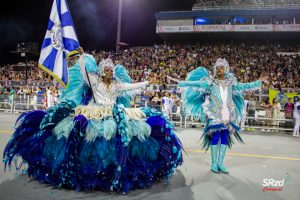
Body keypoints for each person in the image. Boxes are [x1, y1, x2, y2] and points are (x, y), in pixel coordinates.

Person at [3, 48, 182, 193]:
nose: (111, 72)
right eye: (108, 70)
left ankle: (115, 169)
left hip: (113, 111)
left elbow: (131, 86)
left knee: (119, 137)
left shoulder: (117, 84)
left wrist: (146, 83)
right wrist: (81, 57)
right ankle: (88, 170)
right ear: (102, 70)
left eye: (112, 70)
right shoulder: (95, 81)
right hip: (95, 111)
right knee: (91, 138)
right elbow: (84, 72)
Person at [177, 58, 268, 174]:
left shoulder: (231, 83)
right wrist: (183, 83)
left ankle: (220, 163)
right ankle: (214, 163)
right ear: (215, 70)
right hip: (215, 113)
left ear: (225, 69)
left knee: (225, 137)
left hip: (228, 114)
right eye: (218, 67)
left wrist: (258, 82)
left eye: (222, 67)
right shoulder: (210, 83)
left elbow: (245, 86)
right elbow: (196, 83)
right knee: (215, 137)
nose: (219, 69)